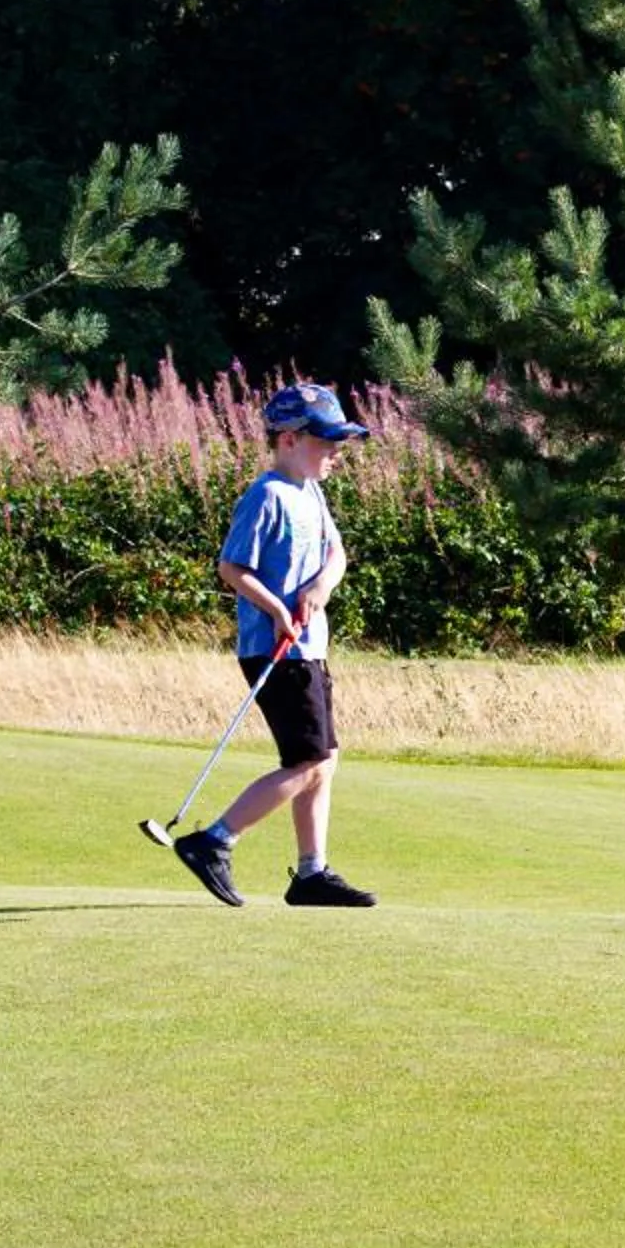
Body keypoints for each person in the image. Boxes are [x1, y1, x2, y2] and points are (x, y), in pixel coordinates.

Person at [171, 382, 380, 909]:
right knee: (308, 761)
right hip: (275, 650)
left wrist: (318, 588)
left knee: (324, 760)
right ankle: (213, 841)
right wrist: (278, 608)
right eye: (325, 441)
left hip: (309, 648)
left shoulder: (312, 491)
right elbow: (232, 566)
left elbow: (336, 555)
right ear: (288, 439)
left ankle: (312, 873)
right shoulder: (266, 495)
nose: (335, 453)